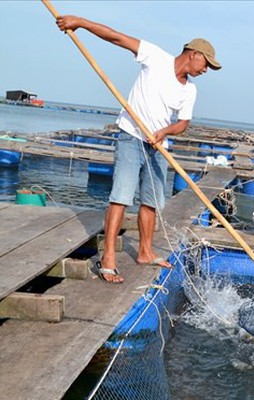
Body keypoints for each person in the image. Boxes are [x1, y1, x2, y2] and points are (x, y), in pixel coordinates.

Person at [56, 15, 221, 283]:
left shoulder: (190, 90)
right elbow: (116, 37)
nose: (206, 70)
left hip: (158, 145)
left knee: (152, 201)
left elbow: (183, 123)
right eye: (206, 63)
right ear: (193, 54)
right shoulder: (156, 57)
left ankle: (145, 251)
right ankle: (108, 256)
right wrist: (80, 23)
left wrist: (165, 132)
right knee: (121, 196)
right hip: (131, 136)